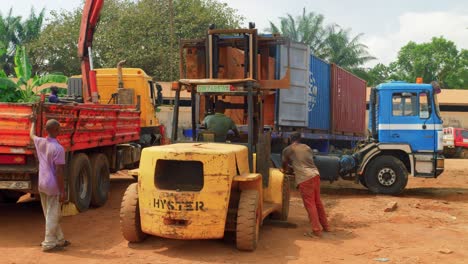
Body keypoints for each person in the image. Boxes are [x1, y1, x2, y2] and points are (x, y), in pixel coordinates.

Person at [30, 119, 70, 252]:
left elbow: (31, 135)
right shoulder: (58, 149)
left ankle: (59, 239)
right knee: (53, 214)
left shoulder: (40, 142)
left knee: (50, 212)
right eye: (59, 128)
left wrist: (33, 122)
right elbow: (59, 171)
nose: (60, 130)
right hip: (52, 185)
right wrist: (62, 191)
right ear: (55, 130)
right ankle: (49, 243)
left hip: (42, 183)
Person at [282, 132, 329, 237]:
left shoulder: (288, 150)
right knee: (317, 202)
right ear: (300, 139)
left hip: (305, 178)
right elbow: (305, 160)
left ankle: (316, 230)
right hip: (315, 175)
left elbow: (285, 163)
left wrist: (285, 170)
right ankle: (326, 227)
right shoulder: (307, 147)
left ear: (290, 139)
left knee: (310, 204)